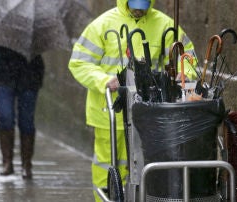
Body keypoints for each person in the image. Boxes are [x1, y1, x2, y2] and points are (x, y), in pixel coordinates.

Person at [68, 0, 197, 200]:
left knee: (145, 165)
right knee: (109, 165)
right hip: (110, 110)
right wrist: (103, 80)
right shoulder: (102, 25)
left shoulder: (165, 25)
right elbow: (79, 62)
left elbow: (186, 55)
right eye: (135, 5)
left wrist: (185, 73)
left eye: (143, 6)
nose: (139, 11)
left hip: (150, 111)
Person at [0, 45, 45, 180]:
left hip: (30, 75)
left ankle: (26, 164)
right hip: (4, 75)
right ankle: (7, 162)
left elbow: (43, 45)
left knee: (27, 121)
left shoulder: (36, 27)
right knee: (6, 117)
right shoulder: (2, 26)